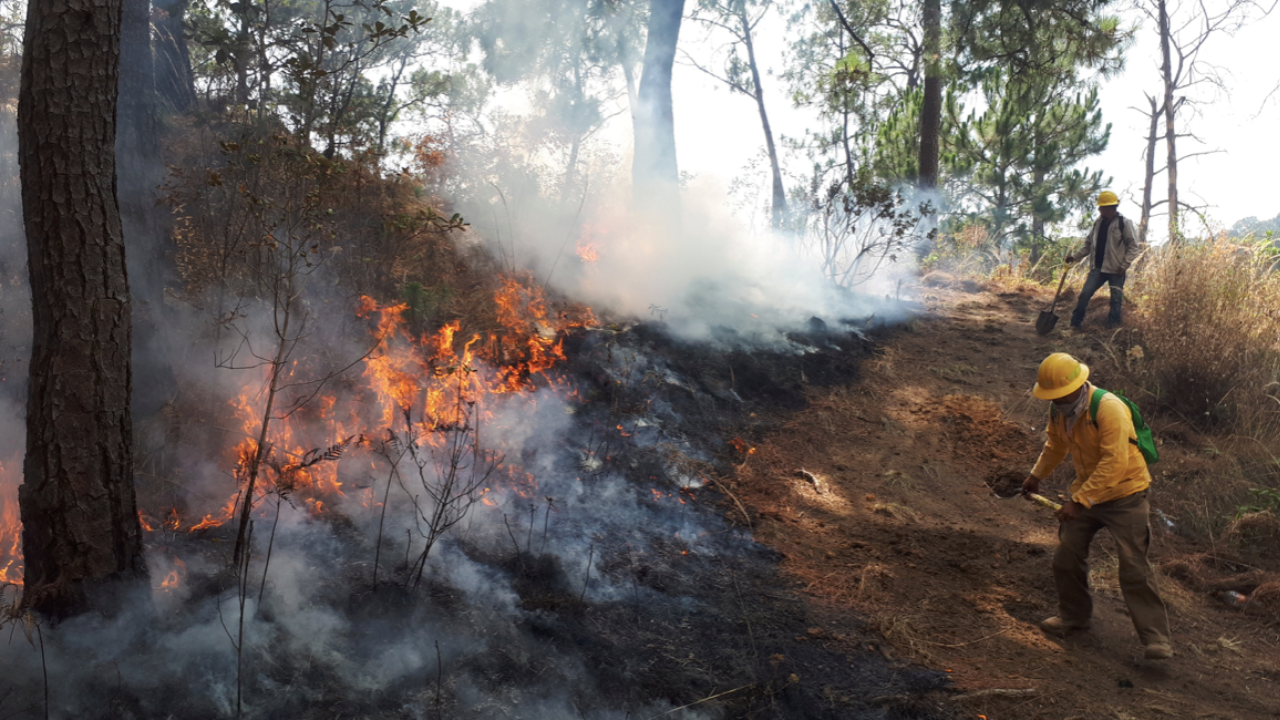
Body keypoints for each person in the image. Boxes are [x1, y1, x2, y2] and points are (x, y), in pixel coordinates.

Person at [1022, 352, 1173, 660]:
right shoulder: (1059, 411)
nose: (1057, 400)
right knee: (1066, 557)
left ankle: (1156, 639)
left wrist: (1078, 501)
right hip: (1088, 494)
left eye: (1060, 394)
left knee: (1133, 567)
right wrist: (1035, 476)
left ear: (1077, 385)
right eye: (1052, 396)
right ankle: (1074, 616)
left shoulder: (1109, 409)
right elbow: (1055, 446)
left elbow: (1115, 462)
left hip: (1126, 495)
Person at [1066, 191, 1141, 328]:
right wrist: (1075, 257)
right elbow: (1088, 246)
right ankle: (1075, 324)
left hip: (1116, 270)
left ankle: (1113, 327)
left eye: (1102, 207)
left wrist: (1124, 266)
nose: (1099, 209)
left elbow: (1133, 247)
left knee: (1116, 300)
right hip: (1098, 269)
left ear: (1111, 208)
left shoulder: (1124, 223)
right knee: (1084, 295)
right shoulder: (1098, 224)